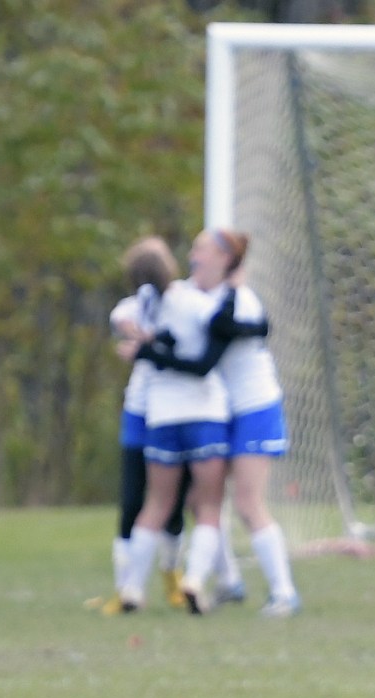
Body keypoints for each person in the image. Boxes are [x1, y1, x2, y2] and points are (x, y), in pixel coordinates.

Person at [131, 229, 302, 618]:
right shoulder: (188, 296)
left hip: (254, 407)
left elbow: (209, 355)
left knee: (245, 501)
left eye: (202, 249)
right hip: (220, 409)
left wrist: (151, 354)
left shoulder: (239, 300)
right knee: (198, 501)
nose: (193, 255)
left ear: (225, 259)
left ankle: (284, 592)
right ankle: (229, 581)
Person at [114, 237, 235, 614]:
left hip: (162, 415)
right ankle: (195, 580)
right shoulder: (192, 301)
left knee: (156, 504)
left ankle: (132, 588)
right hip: (203, 412)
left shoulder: (144, 307)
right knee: (208, 505)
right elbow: (220, 323)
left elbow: (120, 316)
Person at [106, 237, 190, 614]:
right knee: (135, 501)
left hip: (176, 412)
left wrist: (149, 339)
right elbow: (120, 318)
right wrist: (132, 330)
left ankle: (171, 577)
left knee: (168, 504)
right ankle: (127, 589)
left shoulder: (184, 302)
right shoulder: (138, 305)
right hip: (142, 412)